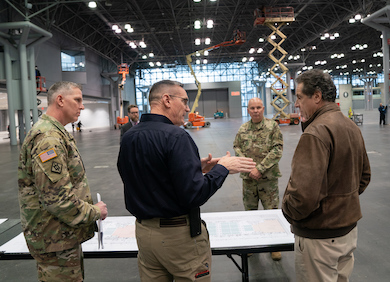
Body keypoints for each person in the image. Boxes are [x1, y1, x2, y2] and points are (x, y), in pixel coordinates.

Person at [117, 80, 256, 282]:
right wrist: (222, 169)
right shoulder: (176, 136)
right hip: (177, 239)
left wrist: (193, 167)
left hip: (144, 236)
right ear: (167, 100)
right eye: (184, 101)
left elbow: (141, 173)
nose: (187, 108)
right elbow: (194, 194)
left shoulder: (129, 136)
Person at [282, 69, 371, 282]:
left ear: (317, 96)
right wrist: (341, 203)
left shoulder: (315, 133)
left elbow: (303, 196)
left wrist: (287, 211)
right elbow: (364, 176)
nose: (296, 104)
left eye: (300, 98)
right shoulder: (351, 127)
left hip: (320, 237)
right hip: (347, 232)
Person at [18, 81, 108, 282]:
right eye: (77, 100)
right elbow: (58, 200)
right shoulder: (49, 138)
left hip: (60, 236)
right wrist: (95, 211)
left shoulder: (55, 132)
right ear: (60, 100)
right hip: (55, 240)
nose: (82, 106)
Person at [233, 97, 283, 261]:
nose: (255, 110)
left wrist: (260, 169)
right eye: (252, 108)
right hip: (249, 180)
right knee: (250, 213)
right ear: (248, 110)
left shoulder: (272, 127)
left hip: (267, 178)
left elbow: (277, 149)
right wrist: (249, 169)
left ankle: (274, 246)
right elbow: (237, 148)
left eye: (258, 107)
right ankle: (252, 244)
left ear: (263, 108)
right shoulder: (243, 129)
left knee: (271, 212)